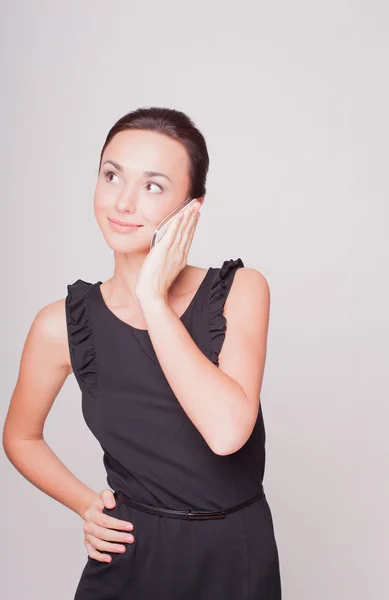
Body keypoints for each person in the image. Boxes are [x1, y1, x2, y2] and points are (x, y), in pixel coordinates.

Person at [3, 106, 282, 598]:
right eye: (112, 176)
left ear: (191, 207)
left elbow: (226, 432)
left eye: (153, 186)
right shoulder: (60, 326)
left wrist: (152, 298)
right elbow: (20, 437)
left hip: (234, 554)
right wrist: (86, 504)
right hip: (131, 557)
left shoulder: (240, 290)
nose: (124, 202)